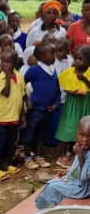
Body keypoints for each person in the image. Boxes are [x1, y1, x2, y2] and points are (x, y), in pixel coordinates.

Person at [36, 116, 90, 208]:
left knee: (52, 188)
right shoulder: (81, 147)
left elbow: (84, 176)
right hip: (75, 181)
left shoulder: (83, 152)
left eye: (89, 137)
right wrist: (69, 172)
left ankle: (47, 211)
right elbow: (77, 167)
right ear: (76, 134)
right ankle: (44, 208)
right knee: (51, 182)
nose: (85, 140)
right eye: (82, 135)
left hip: (83, 188)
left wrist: (80, 155)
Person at [0, 49, 25, 180]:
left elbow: (22, 96)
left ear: (14, 63)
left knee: (11, 143)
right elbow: (5, 92)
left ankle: (6, 164)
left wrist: (23, 115)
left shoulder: (20, 77)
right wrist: (8, 77)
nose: (5, 65)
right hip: (2, 117)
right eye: (3, 61)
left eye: (8, 62)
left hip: (14, 116)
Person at [22, 42, 60, 170]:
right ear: (42, 56)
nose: (54, 56)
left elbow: (56, 89)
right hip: (36, 109)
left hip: (48, 109)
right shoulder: (35, 70)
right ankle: (27, 157)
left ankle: (38, 155)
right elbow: (23, 83)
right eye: (52, 53)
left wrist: (55, 103)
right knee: (31, 132)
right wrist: (28, 99)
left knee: (42, 133)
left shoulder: (53, 70)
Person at [55, 46, 90, 165]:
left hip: (86, 104)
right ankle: (62, 154)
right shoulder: (70, 71)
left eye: (81, 59)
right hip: (72, 104)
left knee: (83, 128)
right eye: (76, 59)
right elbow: (63, 86)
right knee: (67, 127)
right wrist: (72, 92)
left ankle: (80, 154)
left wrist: (84, 80)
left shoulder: (89, 72)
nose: (77, 62)